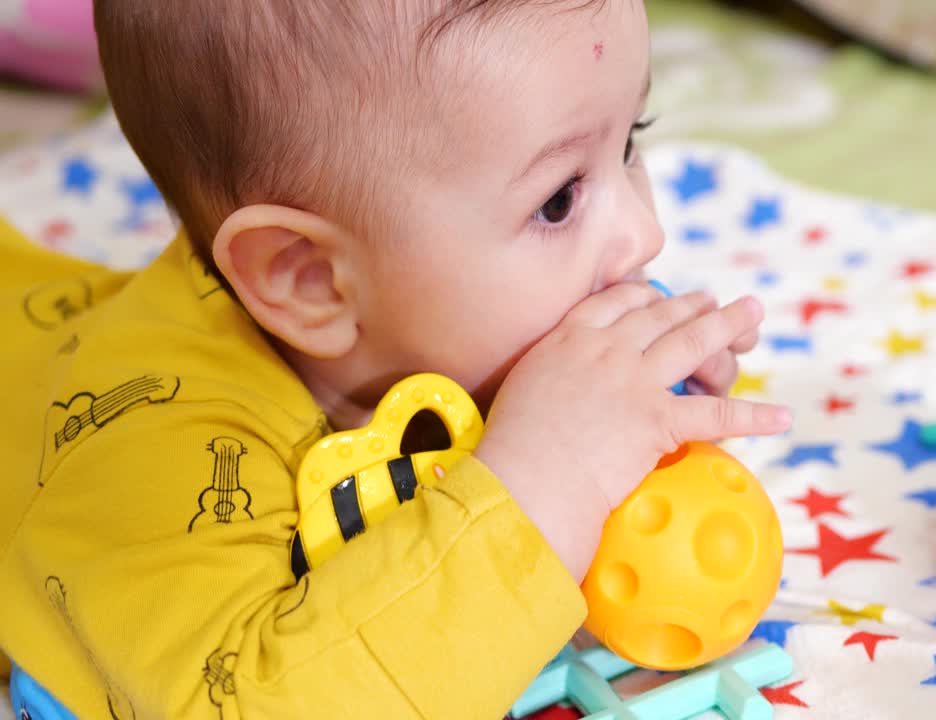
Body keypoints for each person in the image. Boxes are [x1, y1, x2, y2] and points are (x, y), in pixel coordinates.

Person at [0, 1, 792, 717]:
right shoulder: (166, 465)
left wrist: (634, 411)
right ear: (309, 279)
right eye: (558, 200)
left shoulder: (418, 307)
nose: (644, 237)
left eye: (630, 143)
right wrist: (551, 478)